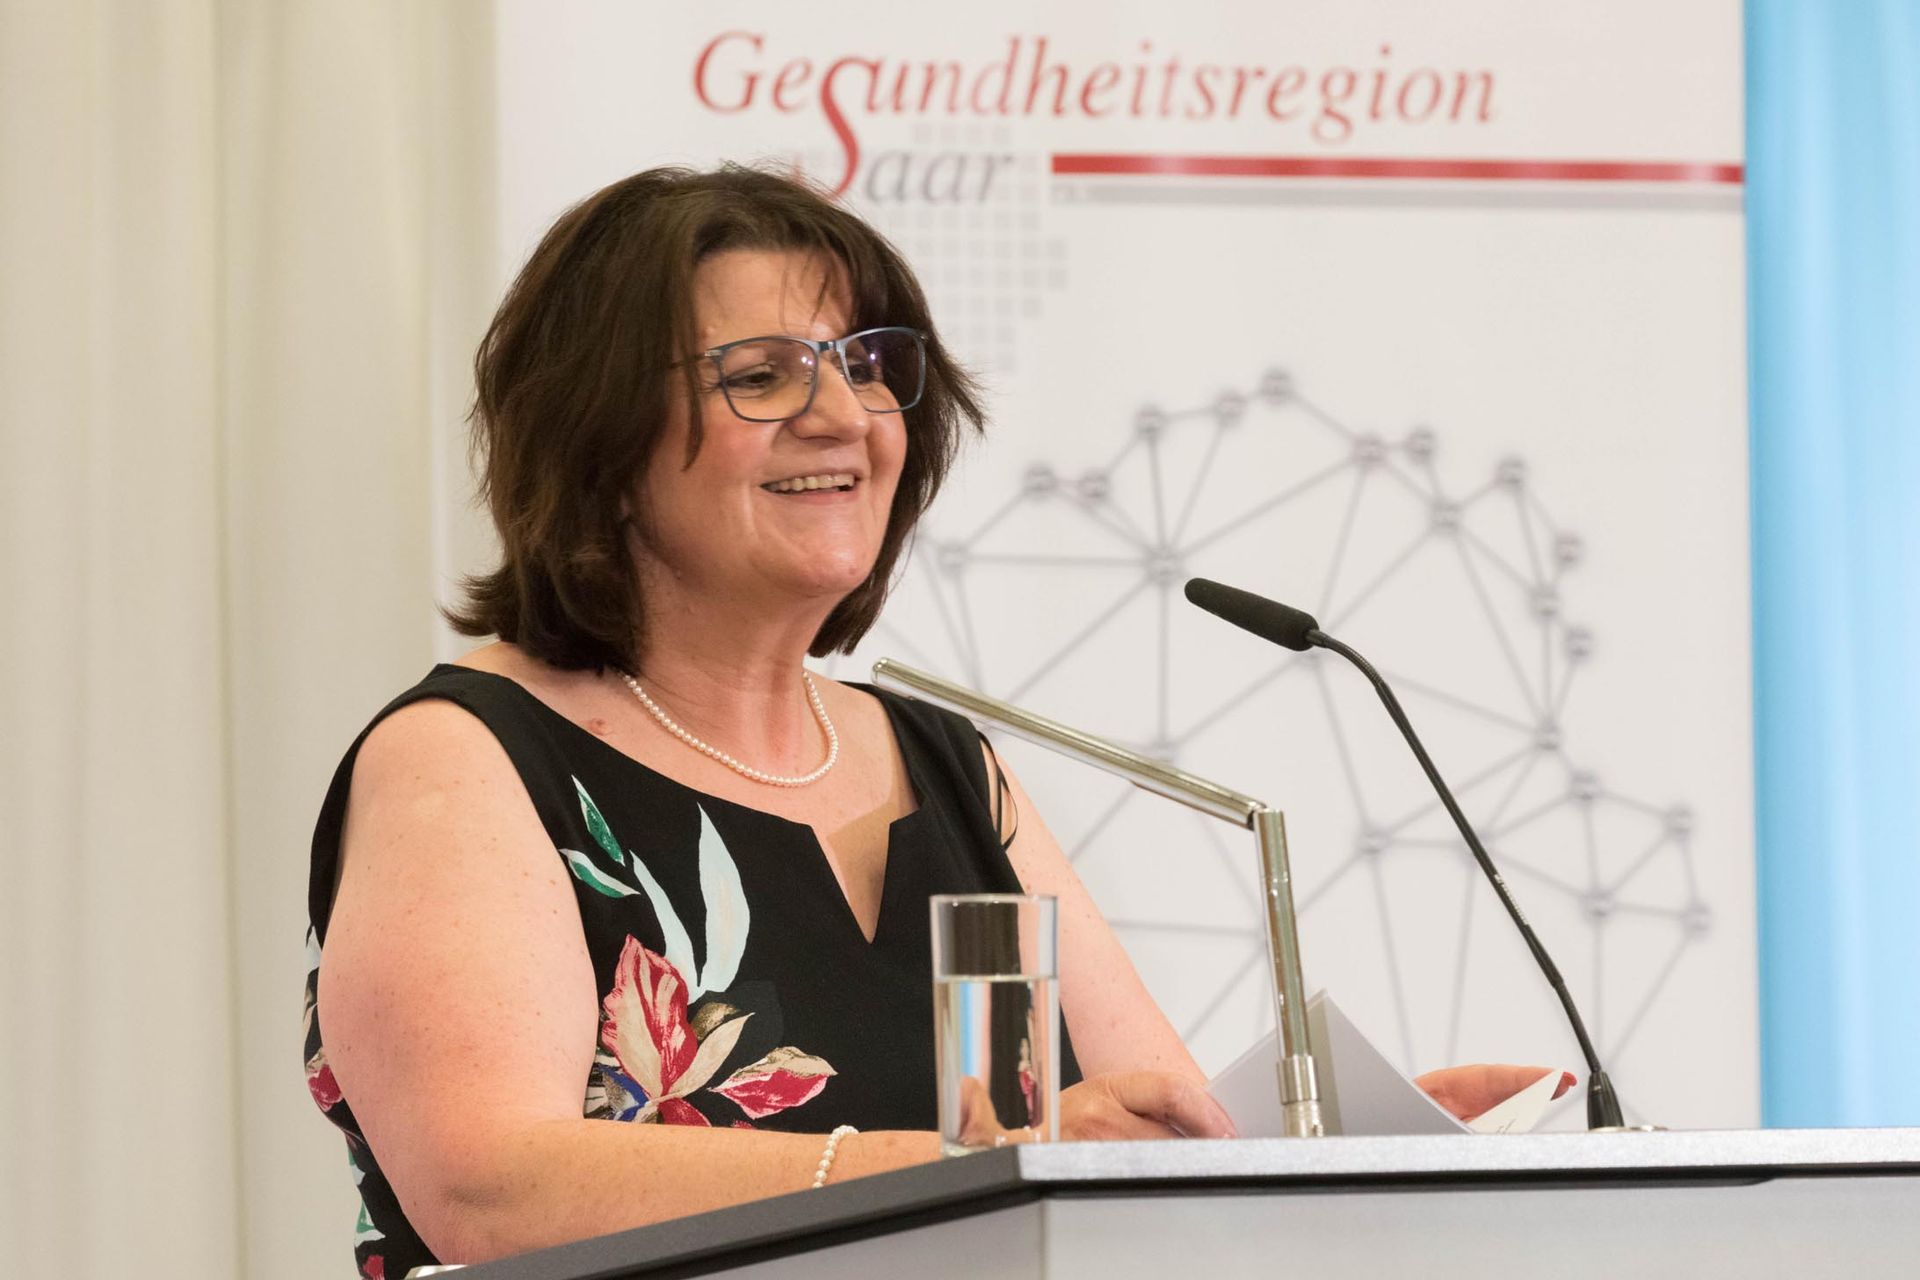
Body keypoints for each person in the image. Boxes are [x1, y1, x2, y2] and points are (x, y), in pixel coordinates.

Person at [304, 164, 1564, 1278]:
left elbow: (1148, 1144)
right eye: (762, 375)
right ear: (597, 432)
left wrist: (1351, 1150)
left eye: (868, 367)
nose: (845, 415)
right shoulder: (467, 759)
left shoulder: (952, 764)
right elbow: (491, 1188)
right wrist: (973, 1163)